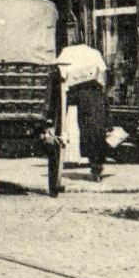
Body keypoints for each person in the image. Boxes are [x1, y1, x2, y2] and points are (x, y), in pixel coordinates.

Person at [58, 35, 109, 181]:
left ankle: (76, 158)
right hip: (94, 96)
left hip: (75, 96)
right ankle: (96, 167)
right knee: (96, 131)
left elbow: (61, 75)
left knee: (80, 128)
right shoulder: (94, 53)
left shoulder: (67, 53)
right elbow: (103, 74)